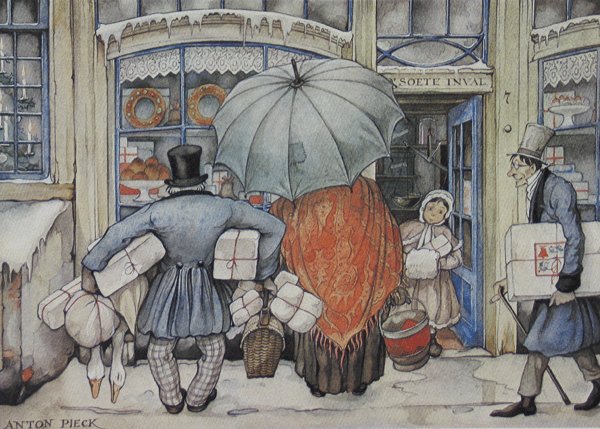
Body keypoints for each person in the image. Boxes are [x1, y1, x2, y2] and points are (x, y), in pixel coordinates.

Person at [82, 145, 286, 414]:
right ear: (200, 180)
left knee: (159, 350)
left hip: (167, 291)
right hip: (207, 289)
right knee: (214, 348)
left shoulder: (157, 210)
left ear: (173, 183)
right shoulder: (222, 207)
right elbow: (275, 227)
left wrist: (91, 266)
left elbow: (118, 234)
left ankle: (171, 399)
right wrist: (262, 271)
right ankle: (198, 397)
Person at [491, 123, 600, 417]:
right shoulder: (537, 187)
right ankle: (532, 399)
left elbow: (574, 237)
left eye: (516, 166)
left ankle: (527, 401)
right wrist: (511, 280)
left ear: (531, 165)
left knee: (545, 340)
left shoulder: (557, 189)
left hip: (563, 284)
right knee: (569, 339)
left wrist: (567, 286)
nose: (511, 172)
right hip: (551, 282)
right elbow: (535, 246)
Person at [269, 176, 403, 397]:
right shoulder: (368, 189)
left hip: (317, 280)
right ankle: (358, 380)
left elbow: (279, 218)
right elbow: (387, 230)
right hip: (360, 280)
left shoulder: (301, 193)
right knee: (357, 319)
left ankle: (319, 381)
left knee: (315, 315)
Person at [399, 189, 463, 357]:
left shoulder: (445, 234)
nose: (434, 214)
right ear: (423, 209)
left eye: (440, 212)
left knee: (432, 309)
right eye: (431, 209)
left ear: (445, 215)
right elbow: (395, 250)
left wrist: (440, 263)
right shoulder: (410, 228)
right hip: (412, 282)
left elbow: (457, 258)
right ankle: (412, 342)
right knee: (412, 309)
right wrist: (405, 259)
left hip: (435, 284)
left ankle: (431, 341)